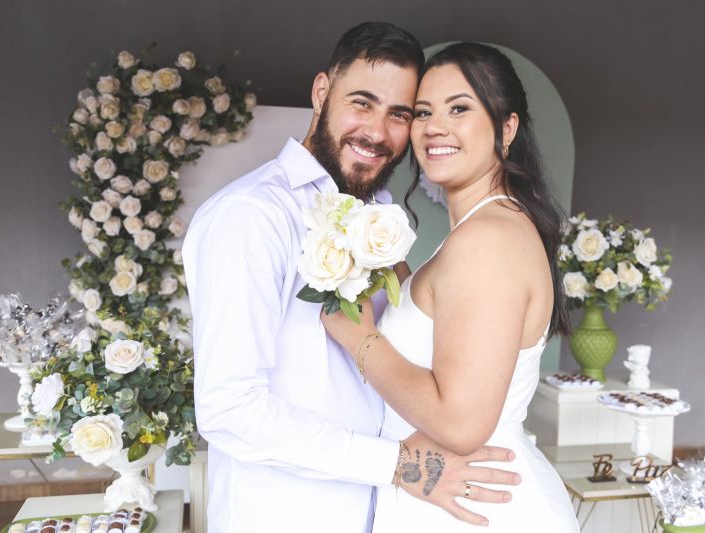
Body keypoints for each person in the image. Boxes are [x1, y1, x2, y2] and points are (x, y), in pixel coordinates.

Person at [182, 25, 520, 533]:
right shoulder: (251, 215)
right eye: (362, 103)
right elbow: (229, 409)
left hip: (385, 512)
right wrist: (395, 464)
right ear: (322, 92)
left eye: (399, 114)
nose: (377, 133)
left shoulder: (378, 216)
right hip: (286, 518)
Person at [322, 42, 581, 531]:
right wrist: (396, 278)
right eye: (423, 112)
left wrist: (361, 339)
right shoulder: (485, 230)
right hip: (450, 494)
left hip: (473, 507)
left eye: (459, 109)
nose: (434, 127)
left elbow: (462, 424)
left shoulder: (488, 239)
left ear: (507, 127)